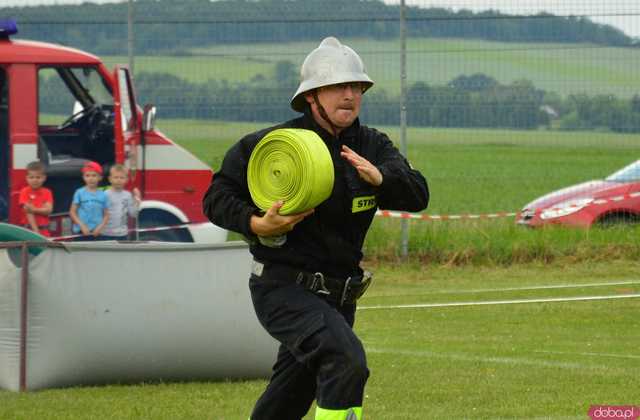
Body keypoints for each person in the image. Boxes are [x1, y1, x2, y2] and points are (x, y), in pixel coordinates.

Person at [203, 37, 429, 420]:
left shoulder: (372, 145)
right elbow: (216, 197)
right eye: (337, 87)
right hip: (283, 288)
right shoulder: (274, 145)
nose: (349, 95)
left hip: (341, 297)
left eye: (356, 86)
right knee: (346, 361)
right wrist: (257, 222)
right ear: (311, 97)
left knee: (288, 399)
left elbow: (417, 193)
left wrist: (381, 179)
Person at [69, 161, 109, 240]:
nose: (91, 178)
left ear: (100, 177)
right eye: (87, 175)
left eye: (94, 175)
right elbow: (72, 212)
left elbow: (106, 215)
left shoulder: (103, 195)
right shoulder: (79, 192)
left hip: (97, 232)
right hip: (81, 231)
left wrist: (99, 227)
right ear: (83, 177)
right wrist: (82, 226)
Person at [102, 164, 141, 241]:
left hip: (122, 234)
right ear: (110, 179)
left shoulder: (128, 195)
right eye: (116, 177)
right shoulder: (105, 194)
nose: (119, 180)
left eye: (122, 177)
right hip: (105, 233)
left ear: (126, 180)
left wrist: (137, 201)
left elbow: (133, 214)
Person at [18, 161, 53, 236]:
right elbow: (28, 212)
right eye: (31, 177)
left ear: (44, 178)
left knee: (45, 247)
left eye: (38, 177)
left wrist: (34, 209)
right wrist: (36, 232)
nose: (35, 180)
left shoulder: (47, 192)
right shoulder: (24, 192)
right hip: (28, 231)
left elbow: (48, 210)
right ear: (26, 178)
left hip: (45, 230)